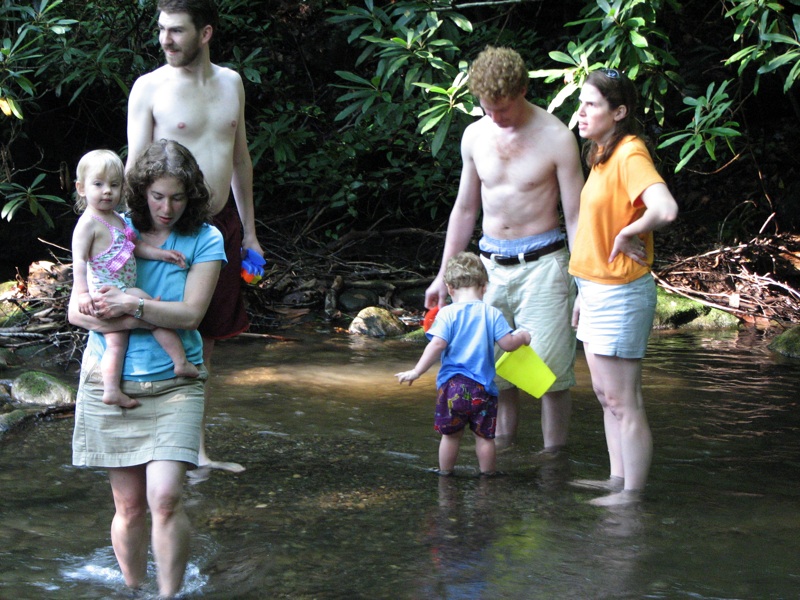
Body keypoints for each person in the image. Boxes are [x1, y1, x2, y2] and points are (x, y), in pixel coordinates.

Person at [69, 139, 226, 597]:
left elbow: (191, 315)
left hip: (177, 383)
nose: (166, 207)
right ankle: (135, 588)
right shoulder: (114, 223)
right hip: (110, 379)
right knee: (130, 505)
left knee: (165, 498)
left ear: (191, 196)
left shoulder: (205, 238)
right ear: (140, 191)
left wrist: (130, 308)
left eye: (177, 197)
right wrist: (137, 309)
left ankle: (168, 594)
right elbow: (77, 313)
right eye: (157, 196)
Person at [424, 46, 584, 453]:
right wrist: (444, 276)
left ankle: (553, 463)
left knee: (549, 376)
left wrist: (585, 283)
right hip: (487, 269)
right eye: (487, 109)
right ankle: (504, 453)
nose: (496, 118)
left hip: (545, 265)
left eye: (505, 110)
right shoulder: (475, 135)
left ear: (524, 91)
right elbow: (464, 209)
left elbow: (576, 217)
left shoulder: (557, 137)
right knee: (495, 372)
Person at [127, 0, 263, 472]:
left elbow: (240, 159)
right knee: (154, 330)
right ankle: (143, 442)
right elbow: (133, 172)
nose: (165, 39)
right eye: (162, 29)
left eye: (177, 31)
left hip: (219, 226)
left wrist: (250, 233)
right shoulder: (149, 88)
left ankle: (195, 449)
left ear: (205, 33)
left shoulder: (231, 83)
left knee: (205, 340)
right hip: (164, 228)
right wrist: (131, 241)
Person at [569, 69, 678, 506]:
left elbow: (665, 208)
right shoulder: (601, 154)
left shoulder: (630, 152)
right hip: (595, 290)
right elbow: (595, 230)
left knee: (623, 400)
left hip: (620, 292)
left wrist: (631, 231)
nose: (581, 111)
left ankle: (631, 496)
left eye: (592, 104)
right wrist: (581, 291)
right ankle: (617, 480)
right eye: (581, 102)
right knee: (605, 395)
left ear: (619, 112)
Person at [71, 149, 198, 409]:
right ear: (81, 188)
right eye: (98, 184)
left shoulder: (118, 219)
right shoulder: (88, 224)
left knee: (116, 345)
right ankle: (180, 361)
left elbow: (134, 246)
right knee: (154, 311)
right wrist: (83, 293)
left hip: (122, 289)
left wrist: (162, 255)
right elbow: (79, 261)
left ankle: (111, 390)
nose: (107, 191)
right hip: (109, 291)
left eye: (114, 185)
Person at [397, 252, 531, 476]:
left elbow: (437, 344)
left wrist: (417, 371)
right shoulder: (492, 314)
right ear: (484, 286)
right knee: (485, 437)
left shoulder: (447, 315)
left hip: (452, 389)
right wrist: (523, 337)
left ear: (450, 288)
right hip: (483, 389)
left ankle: (445, 474)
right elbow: (508, 344)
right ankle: (488, 477)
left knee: (450, 436)